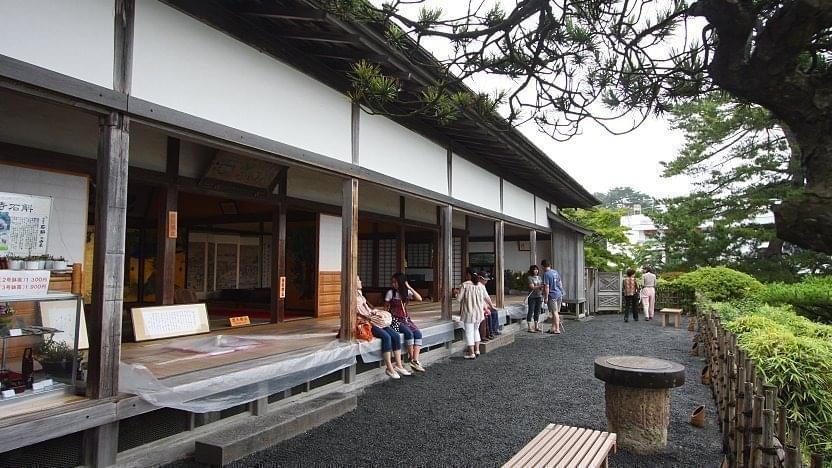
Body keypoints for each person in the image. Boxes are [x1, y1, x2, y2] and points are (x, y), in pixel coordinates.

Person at [356, 276, 412, 379]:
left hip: (375, 320)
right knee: (386, 337)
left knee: (395, 335)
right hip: (367, 323)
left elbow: (368, 309)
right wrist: (369, 316)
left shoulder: (360, 295)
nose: (361, 281)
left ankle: (399, 365)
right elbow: (355, 313)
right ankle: (389, 368)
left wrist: (375, 312)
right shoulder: (351, 297)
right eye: (358, 280)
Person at [385, 272, 426, 372]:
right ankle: (412, 359)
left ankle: (415, 360)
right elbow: (385, 307)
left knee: (418, 333)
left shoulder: (406, 292)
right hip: (395, 320)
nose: (393, 284)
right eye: (393, 282)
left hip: (406, 319)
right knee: (409, 333)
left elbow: (419, 298)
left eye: (396, 282)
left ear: (401, 282)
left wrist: (409, 287)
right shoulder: (391, 293)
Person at [457, 268, 486, 359]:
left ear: (468, 275)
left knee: (469, 332)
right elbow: (487, 297)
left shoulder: (465, 285)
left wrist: (456, 293)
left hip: (469, 312)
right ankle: (477, 350)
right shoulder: (481, 285)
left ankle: (471, 353)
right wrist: (491, 306)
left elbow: (459, 299)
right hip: (479, 313)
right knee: (475, 330)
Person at [541, 259, 564, 334]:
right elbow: (560, 283)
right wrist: (561, 291)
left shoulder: (546, 274)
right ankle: (553, 328)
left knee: (554, 312)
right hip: (559, 294)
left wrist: (546, 297)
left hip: (552, 295)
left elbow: (547, 287)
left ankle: (557, 329)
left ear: (543, 266)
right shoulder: (555, 272)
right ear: (550, 265)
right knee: (556, 312)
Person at [526, 264, 544, 332]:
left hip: (539, 296)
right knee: (531, 311)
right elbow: (532, 287)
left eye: (537, 269)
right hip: (532, 297)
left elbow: (541, 286)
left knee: (537, 311)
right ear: (531, 270)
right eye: (534, 269)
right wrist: (540, 286)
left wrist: (542, 288)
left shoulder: (539, 277)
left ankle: (536, 326)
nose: (536, 271)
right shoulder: (529, 278)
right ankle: (529, 327)